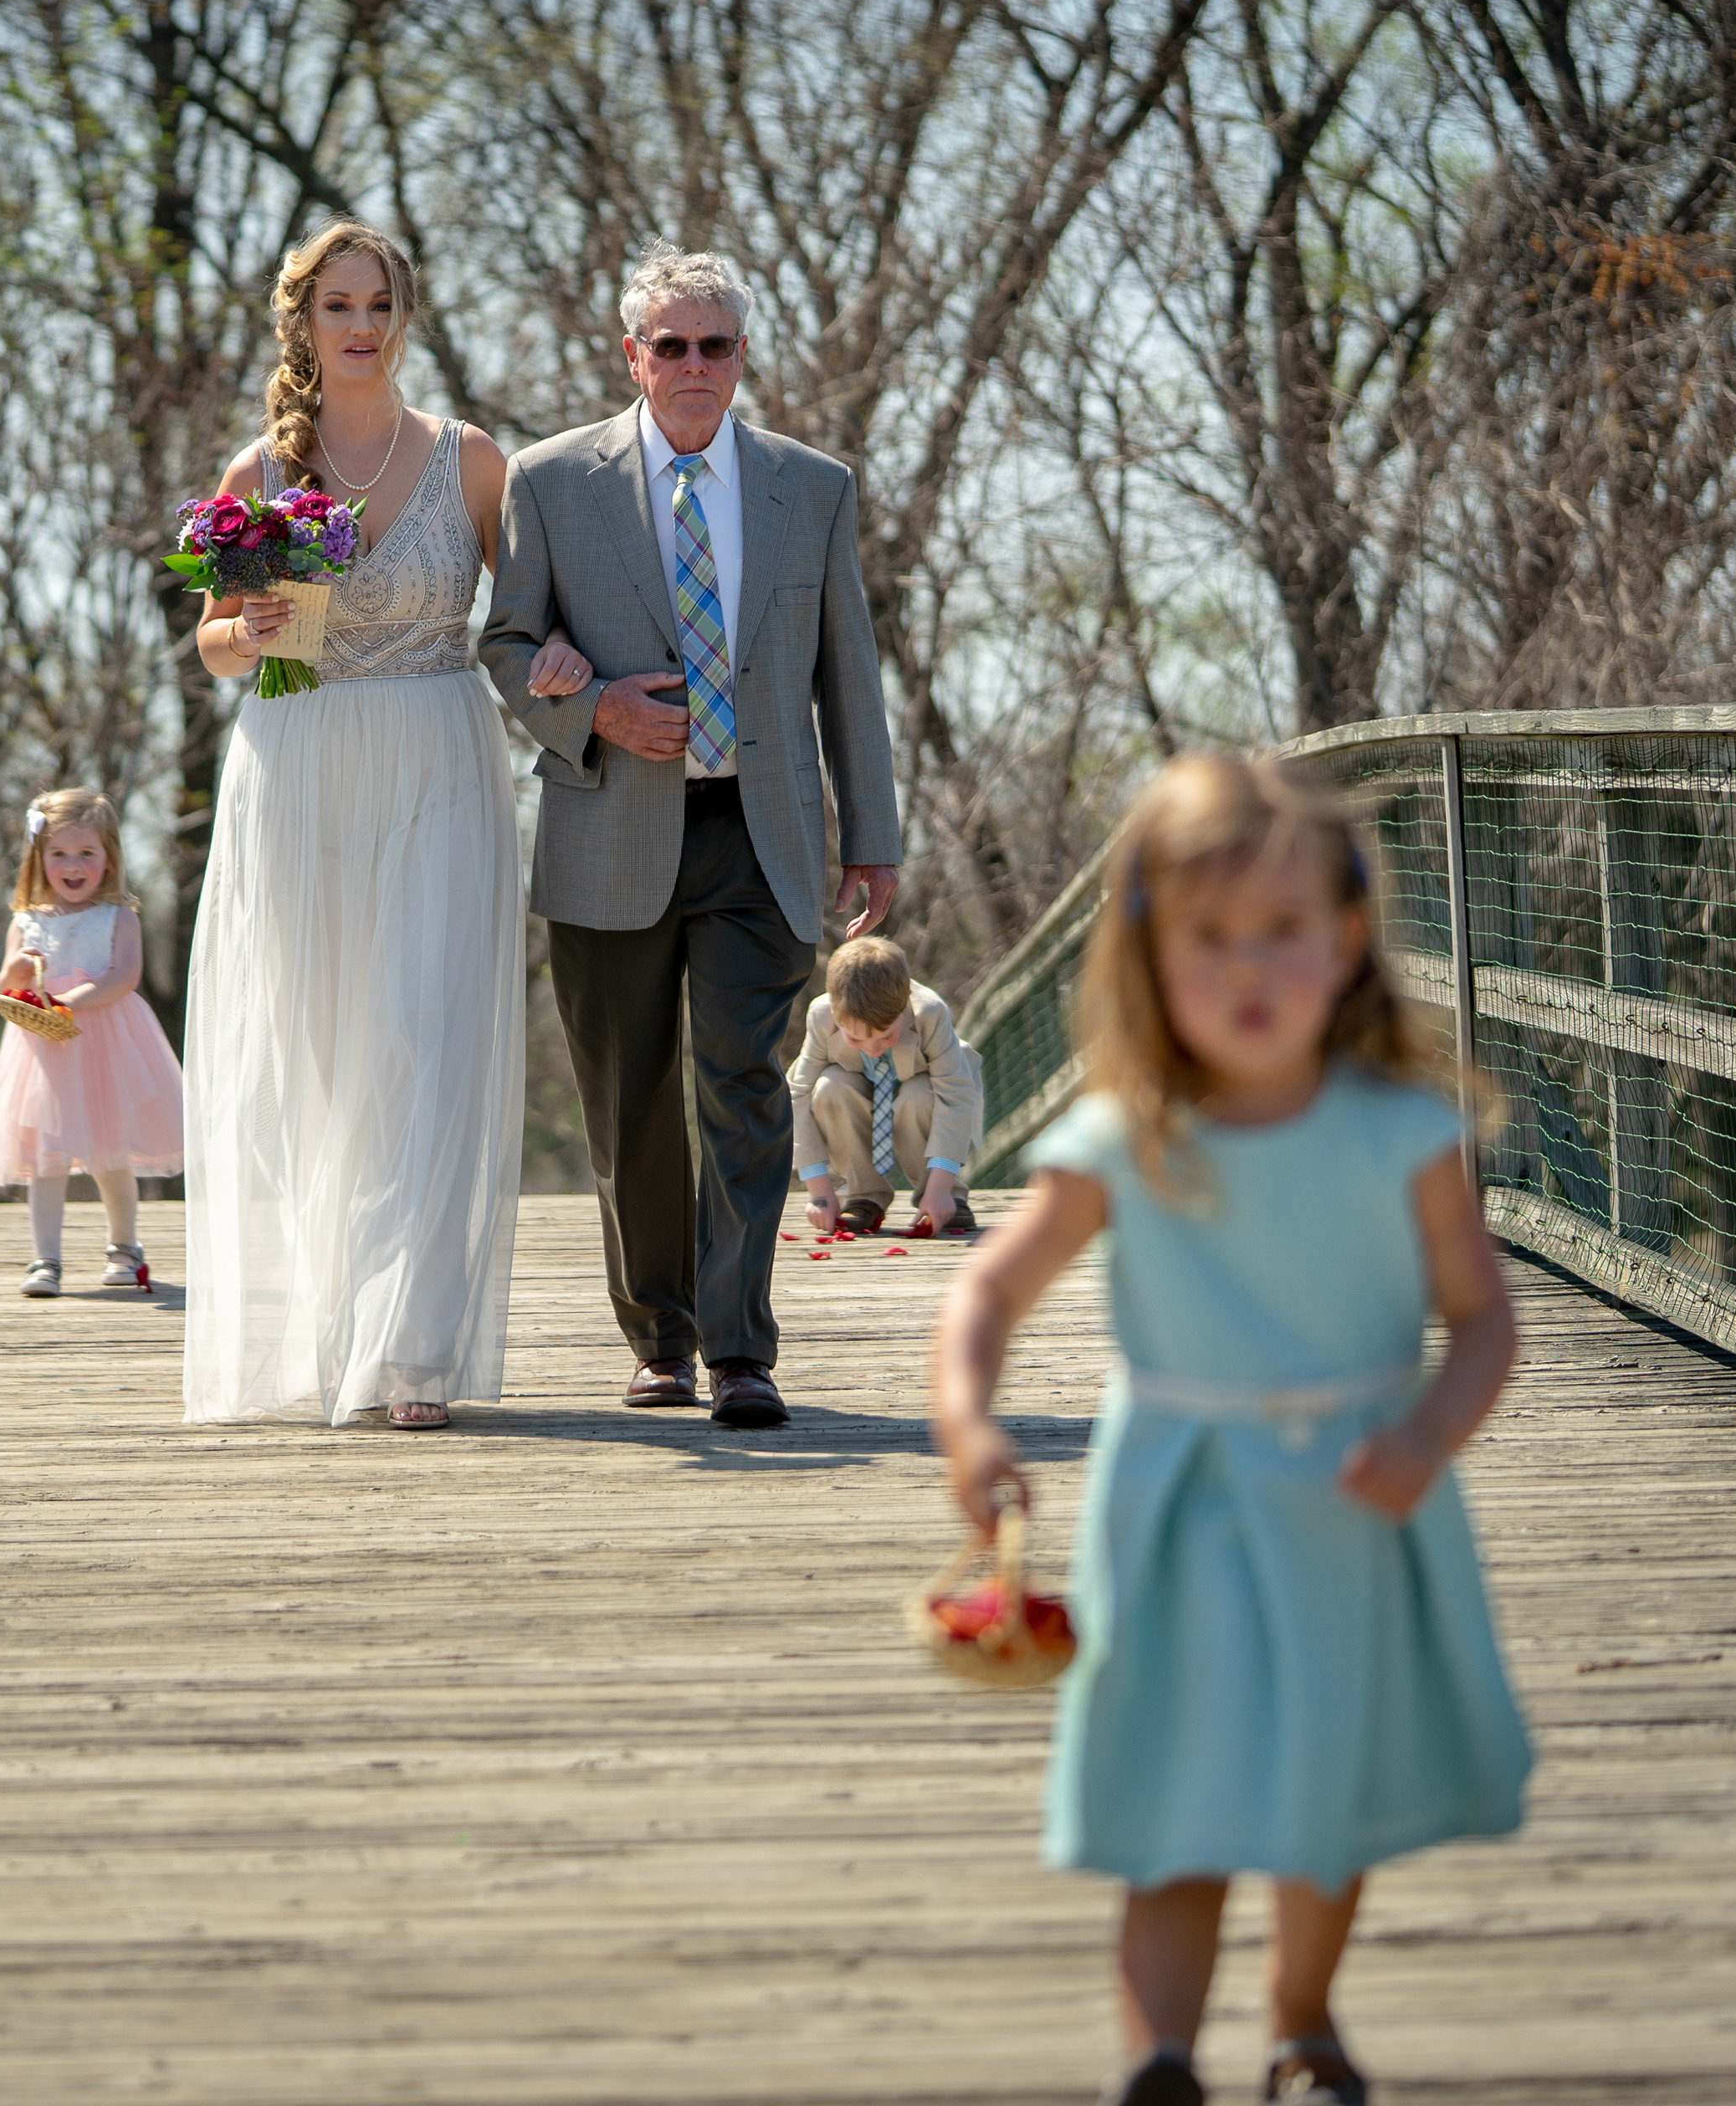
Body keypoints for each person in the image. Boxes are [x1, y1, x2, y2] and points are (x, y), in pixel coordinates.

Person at [929, 753, 1531, 2106]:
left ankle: (1303, 2024)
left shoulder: (1401, 1133)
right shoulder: (1124, 1138)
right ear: (1149, 953)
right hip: (1181, 1504)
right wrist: (968, 1421)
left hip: (1352, 1502)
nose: (1248, 970)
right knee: (1174, 1799)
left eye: (1283, 933)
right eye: (1209, 940)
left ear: (1349, 939)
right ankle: (1157, 2060)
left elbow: (1484, 1320)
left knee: (1326, 1796)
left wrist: (1432, 1430)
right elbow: (988, 1287)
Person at [479, 241, 901, 1429]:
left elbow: (848, 674)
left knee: (743, 1089)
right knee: (630, 1104)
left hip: (758, 836)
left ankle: (740, 1350)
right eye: (672, 345)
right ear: (634, 356)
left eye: (717, 344)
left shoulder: (811, 488)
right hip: (609, 825)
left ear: (743, 355)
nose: (695, 364)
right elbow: (504, 645)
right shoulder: (552, 482)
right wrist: (595, 708)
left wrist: (873, 834)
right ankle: (656, 1336)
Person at [180, 221, 584, 1431]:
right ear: (303, 324)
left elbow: (524, 618)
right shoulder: (261, 470)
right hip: (297, 753)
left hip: (434, 751)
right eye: (337, 306)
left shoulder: (471, 462)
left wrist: (563, 654)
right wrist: (238, 634)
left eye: (379, 305)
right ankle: (326, 1331)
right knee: (314, 1055)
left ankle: (409, 1352)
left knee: (418, 1041)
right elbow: (215, 638)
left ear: (404, 319)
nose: (360, 326)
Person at [0, 788, 184, 1297]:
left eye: (86, 854)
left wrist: (70, 997)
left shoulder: (119, 917)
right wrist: (21, 969)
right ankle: (45, 1259)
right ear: (40, 858)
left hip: (107, 1047)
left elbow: (124, 977)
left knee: (109, 1153)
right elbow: (9, 982)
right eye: (59, 854)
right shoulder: (26, 920)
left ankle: (124, 1246)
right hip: (47, 1051)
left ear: (109, 857)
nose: (73, 866)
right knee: (46, 1156)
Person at [788, 934, 984, 1238]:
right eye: (855, 1039)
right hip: (858, 1093)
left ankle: (945, 1195)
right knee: (829, 1087)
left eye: (886, 1036)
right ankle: (864, 1195)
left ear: (904, 1003)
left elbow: (954, 1095)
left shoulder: (929, 1012)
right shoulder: (821, 1015)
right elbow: (797, 1093)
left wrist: (941, 1188)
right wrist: (820, 1193)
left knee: (919, 1094)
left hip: (919, 1091)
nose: (873, 1048)